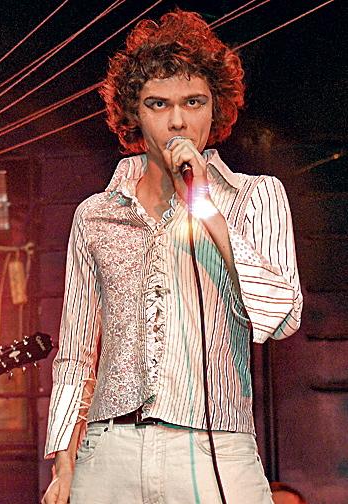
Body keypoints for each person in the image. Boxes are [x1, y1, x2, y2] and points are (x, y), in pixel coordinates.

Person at [42, 9, 302, 504]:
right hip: (109, 449)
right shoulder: (95, 214)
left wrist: (205, 210)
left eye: (193, 102)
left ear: (215, 108)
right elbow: (76, 350)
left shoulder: (255, 197)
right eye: (158, 104)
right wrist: (64, 459)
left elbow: (284, 316)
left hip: (214, 447)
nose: (177, 120)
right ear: (134, 114)